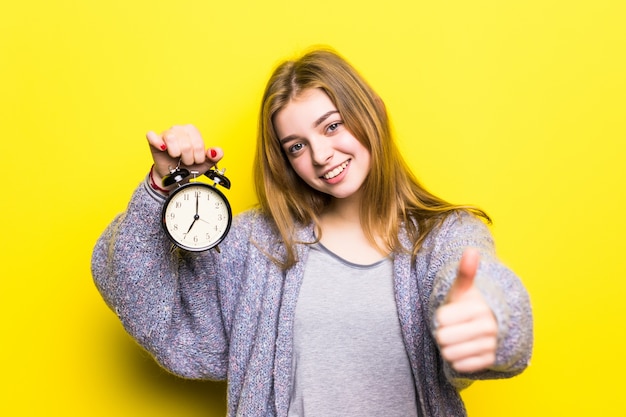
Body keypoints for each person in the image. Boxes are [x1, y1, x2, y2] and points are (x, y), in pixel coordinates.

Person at [91, 48, 533, 417]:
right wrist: (160, 186)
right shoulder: (256, 246)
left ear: (373, 112)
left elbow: (483, 289)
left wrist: (486, 318)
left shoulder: (443, 237)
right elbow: (150, 307)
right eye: (297, 146)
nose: (321, 155)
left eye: (332, 125)